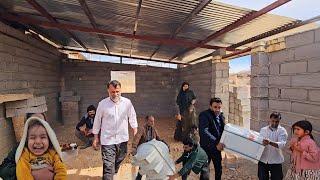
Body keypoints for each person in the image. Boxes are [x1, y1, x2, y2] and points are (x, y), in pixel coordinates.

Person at [92, 80, 138, 180]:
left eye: (117, 91)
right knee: (108, 165)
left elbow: (132, 117)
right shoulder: (102, 104)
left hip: (122, 139)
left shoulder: (127, 103)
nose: (115, 94)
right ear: (108, 90)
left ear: (120, 90)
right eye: (113, 92)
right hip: (107, 140)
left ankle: (114, 172)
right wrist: (95, 137)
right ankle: (109, 176)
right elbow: (97, 121)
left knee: (120, 158)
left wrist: (135, 131)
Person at [0, 113, 46, 180]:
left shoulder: (51, 147)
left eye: (41, 123)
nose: (37, 127)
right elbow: (3, 170)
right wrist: (24, 170)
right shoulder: (20, 147)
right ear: (27, 128)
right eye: (33, 123)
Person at [132, 115, 167, 180]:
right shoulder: (142, 129)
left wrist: (165, 144)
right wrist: (134, 148)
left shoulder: (154, 130)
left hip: (152, 153)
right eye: (151, 121)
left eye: (153, 121)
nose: (152, 123)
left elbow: (159, 139)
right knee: (142, 170)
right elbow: (137, 138)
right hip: (144, 152)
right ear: (146, 121)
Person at [198, 97, 225, 180]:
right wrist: (217, 142)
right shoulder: (204, 115)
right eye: (215, 107)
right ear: (210, 106)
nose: (217, 109)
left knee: (218, 169)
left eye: (219, 107)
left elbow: (223, 131)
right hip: (207, 147)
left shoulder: (221, 116)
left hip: (217, 148)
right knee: (205, 170)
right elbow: (204, 131)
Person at [258, 112, 288, 180]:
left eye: (277, 122)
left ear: (279, 121)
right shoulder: (263, 130)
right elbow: (259, 142)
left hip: (276, 161)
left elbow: (282, 145)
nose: (274, 123)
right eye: (273, 121)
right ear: (269, 120)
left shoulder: (282, 131)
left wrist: (269, 142)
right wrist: (262, 143)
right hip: (263, 159)